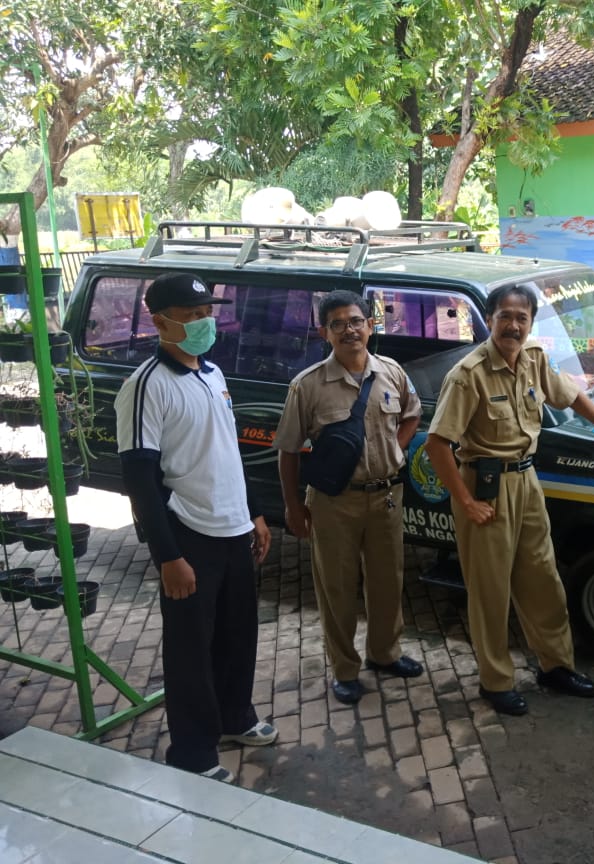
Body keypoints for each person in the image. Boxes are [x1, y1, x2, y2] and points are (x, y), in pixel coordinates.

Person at [424, 284, 594, 715]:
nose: (513, 326)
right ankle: (495, 681)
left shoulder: (534, 358)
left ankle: (556, 666)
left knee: (543, 579)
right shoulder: (468, 374)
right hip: (485, 488)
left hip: (527, 482)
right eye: (505, 316)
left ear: (531, 322)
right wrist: (466, 502)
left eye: (522, 318)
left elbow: (570, 395)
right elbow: (438, 444)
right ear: (489, 319)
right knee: (490, 590)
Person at [115, 272, 277, 783]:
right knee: (190, 649)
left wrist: (254, 513)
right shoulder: (146, 386)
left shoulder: (213, 373)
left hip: (233, 528)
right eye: (192, 317)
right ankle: (191, 750)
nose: (205, 323)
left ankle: (235, 717)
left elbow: (227, 451)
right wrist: (168, 556)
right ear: (161, 322)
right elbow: (139, 477)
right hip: (189, 534)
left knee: (237, 634)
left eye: (208, 313)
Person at [275, 290, 424, 705]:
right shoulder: (308, 386)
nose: (349, 330)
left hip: (386, 496)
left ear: (370, 325)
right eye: (337, 324)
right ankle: (344, 669)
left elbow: (412, 413)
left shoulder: (392, 372)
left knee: (387, 581)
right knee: (337, 588)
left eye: (356, 321)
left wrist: (396, 449)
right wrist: (293, 506)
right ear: (324, 332)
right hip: (334, 503)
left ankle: (385, 653)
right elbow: (288, 450)